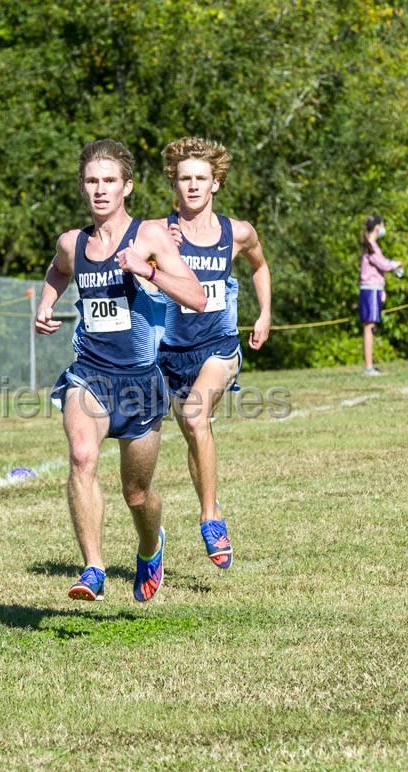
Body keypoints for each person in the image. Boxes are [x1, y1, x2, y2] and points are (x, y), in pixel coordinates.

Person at [35, 140, 206, 603]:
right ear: (82, 188)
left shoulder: (148, 236)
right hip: (89, 373)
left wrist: (147, 272)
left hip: (140, 383)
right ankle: (93, 568)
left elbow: (196, 297)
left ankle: (151, 548)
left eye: (109, 181)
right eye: (92, 181)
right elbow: (57, 270)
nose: (100, 190)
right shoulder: (73, 243)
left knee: (137, 494)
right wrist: (46, 304)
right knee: (83, 458)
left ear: (127, 186)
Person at [149, 136, 271, 570]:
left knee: (197, 418)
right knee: (194, 433)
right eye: (185, 179)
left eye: (201, 178)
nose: (193, 186)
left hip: (219, 348)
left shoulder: (237, 232)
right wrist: (160, 256)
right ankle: (212, 503)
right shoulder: (158, 233)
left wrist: (264, 315)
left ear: (216, 182)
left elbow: (260, 266)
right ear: (174, 184)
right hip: (171, 353)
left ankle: (210, 519)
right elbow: (134, 283)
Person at [358, 214, 403, 376]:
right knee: (369, 326)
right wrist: (396, 264)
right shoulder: (370, 245)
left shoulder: (372, 245)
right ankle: (368, 366)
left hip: (374, 289)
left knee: (371, 326)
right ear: (377, 226)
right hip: (370, 290)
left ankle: (370, 365)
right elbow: (382, 264)